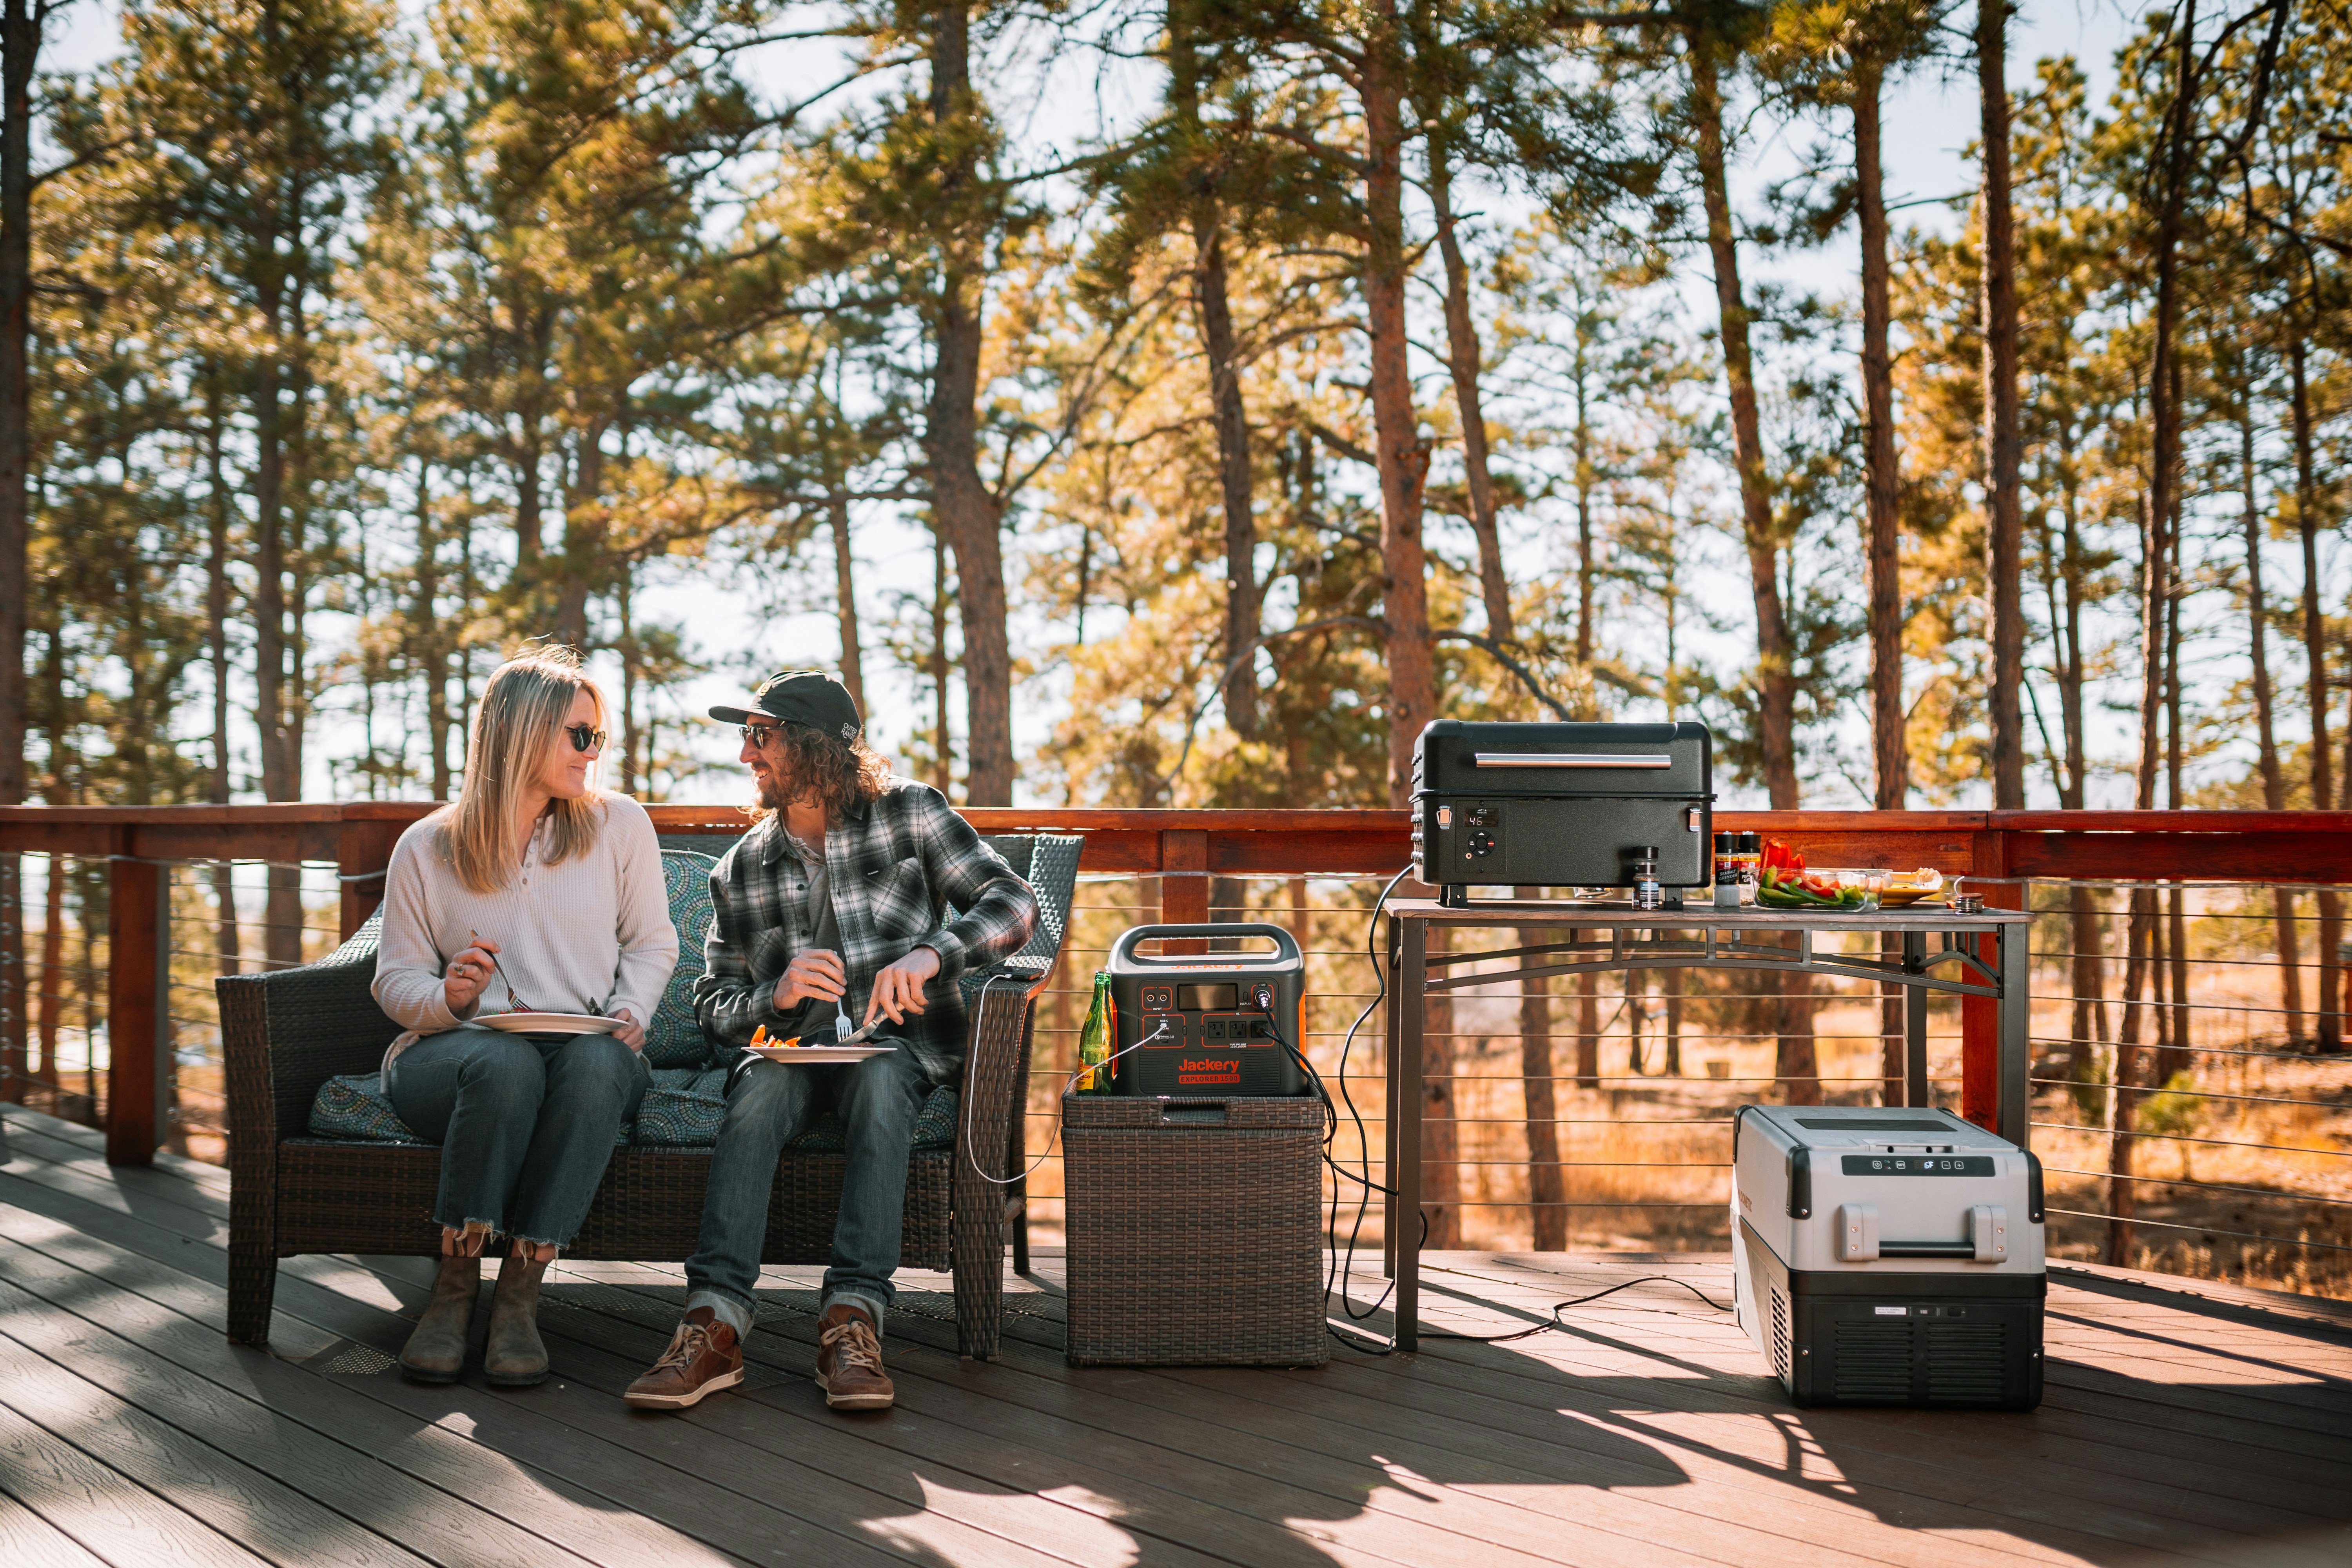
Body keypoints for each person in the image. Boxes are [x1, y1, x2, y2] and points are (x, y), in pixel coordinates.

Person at [624, 670, 1038, 1413]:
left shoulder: (911, 814)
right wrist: (772, 997)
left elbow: (1014, 903)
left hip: (899, 1048)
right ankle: (712, 1324)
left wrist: (933, 953)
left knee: (880, 1080)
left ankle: (852, 1322)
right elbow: (714, 1005)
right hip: (790, 1054)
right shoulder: (743, 867)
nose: (747, 755)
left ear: (814, 747)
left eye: (762, 736)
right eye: (746, 737)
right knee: (758, 1092)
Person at [373, 647, 678, 1387]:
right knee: (504, 1062)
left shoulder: (618, 826)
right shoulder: (428, 846)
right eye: (579, 734)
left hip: (585, 1054)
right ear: (520, 731)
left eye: (597, 738)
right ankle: (451, 1292)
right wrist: (449, 997)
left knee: (602, 1061)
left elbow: (652, 944)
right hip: (452, 1058)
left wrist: (631, 1010)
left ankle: (519, 1295)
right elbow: (394, 980)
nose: (592, 752)